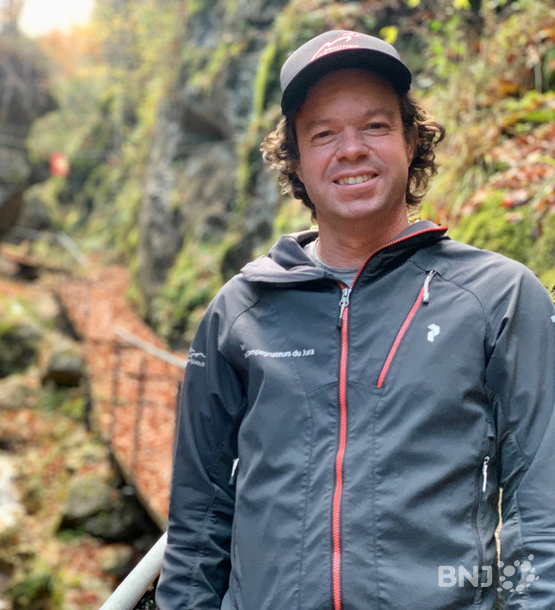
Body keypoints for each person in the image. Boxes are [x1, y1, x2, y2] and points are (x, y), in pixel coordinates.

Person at [155, 29, 555, 609]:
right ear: (295, 160)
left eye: (375, 126)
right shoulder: (239, 312)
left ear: (411, 140)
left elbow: (541, 509)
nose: (351, 149)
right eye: (323, 134)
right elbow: (197, 520)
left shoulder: (499, 298)